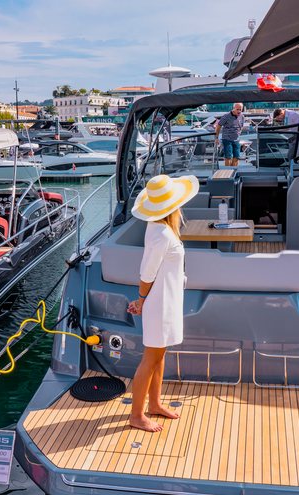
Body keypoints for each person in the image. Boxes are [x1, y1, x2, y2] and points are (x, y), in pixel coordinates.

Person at [126, 174, 199, 432]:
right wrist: (142, 301)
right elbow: (147, 274)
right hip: (159, 303)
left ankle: (154, 403)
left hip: (167, 300)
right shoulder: (162, 235)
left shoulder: (159, 228)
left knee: (160, 354)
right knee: (150, 358)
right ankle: (137, 415)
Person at [213, 103, 245, 167]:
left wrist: (239, 133)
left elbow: (241, 126)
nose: (239, 111)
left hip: (236, 139)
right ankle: (228, 172)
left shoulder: (242, 116)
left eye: (240, 109)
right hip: (227, 139)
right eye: (237, 109)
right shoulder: (226, 116)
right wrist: (216, 138)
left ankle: (234, 171)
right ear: (233, 108)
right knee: (228, 157)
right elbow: (218, 126)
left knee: (237, 157)